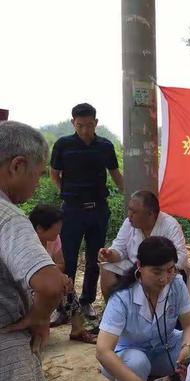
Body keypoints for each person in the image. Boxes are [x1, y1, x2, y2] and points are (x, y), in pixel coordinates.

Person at [0, 121, 66, 381]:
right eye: (38, 175)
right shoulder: (8, 217)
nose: (37, 184)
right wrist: (40, 317)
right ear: (16, 165)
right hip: (6, 374)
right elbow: (50, 284)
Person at [96, 236, 190, 381]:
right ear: (140, 267)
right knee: (137, 362)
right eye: (157, 272)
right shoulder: (123, 297)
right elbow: (103, 351)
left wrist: (187, 347)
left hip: (163, 350)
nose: (164, 278)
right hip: (127, 357)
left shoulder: (176, 284)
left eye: (170, 270)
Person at [50, 102, 124, 323]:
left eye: (89, 125)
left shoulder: (105, 146)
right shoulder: (63, 145)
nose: (85, 130)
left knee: (95, 258)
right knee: (69, 259)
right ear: (73, 122)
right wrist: (65, 193)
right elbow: (54, 173)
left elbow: (115, 174)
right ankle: (65, 305)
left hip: (98, 209)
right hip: (72, 211)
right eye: (80, 125)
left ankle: (86, 301)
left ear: (96, 123)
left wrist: (131, 196)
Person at [98, 190, 188, 299]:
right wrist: (110, 254)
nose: (129, 215)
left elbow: (182, 257)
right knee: (107, 267)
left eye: (134, 212)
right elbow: (119, 248)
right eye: (129, 210)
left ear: (150, 214)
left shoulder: (170, 225)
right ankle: (113, 310)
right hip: (134, 266)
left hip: (160, 271)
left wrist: (157, 268)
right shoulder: (129, 223)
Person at [29, 204, 96, 343]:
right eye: (55, 229)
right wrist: (51, 276)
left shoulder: (54, 240)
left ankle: (77, 329)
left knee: (66, 284)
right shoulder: (27, 243)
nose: (58, 232)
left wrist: (58, 277)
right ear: (40, 229)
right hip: (27, 287)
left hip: (46, 281)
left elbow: (60, 264)